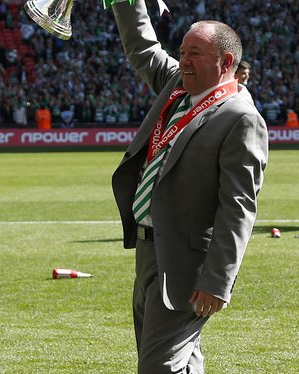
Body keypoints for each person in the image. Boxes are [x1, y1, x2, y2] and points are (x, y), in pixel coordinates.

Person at [110, 1, 269, 373]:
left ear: (226, 63)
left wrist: (218, 281)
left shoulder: (241, 118)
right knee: (181, 361)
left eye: (195, 54)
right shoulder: (177, 87)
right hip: (150, 250)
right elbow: (144, 48)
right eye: (182, 52)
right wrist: (124, 2)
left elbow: (238, 207)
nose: (184, 61)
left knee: (158, 366)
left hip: (188, 267)